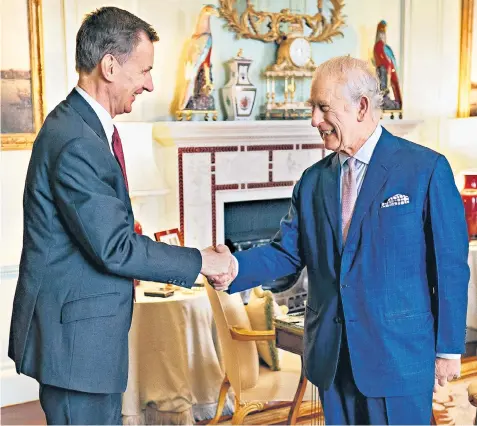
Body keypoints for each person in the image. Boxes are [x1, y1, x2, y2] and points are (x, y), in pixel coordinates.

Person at [208, 56, 470, 424]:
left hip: (398, 355)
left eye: (322, 108)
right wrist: (233, 265)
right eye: (311, 108)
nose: (314, 120)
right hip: (331, 358)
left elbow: (450, 268)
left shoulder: (426, 170)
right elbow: (286, 253)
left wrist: (448, 348)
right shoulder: (313, 181)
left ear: (361, 106)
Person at [8, 7, 232, 425]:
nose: (150, 84)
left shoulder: (83, 128)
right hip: (77, 347)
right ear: (110, 66)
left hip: (85, 342)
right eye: (144, 70)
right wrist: (202, 261)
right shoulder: (75, 140)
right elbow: (114, 247)